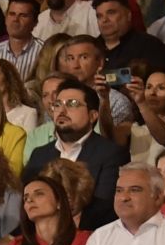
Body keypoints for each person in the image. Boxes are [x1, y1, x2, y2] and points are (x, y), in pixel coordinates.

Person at [24, 80, 129, 230]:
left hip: (88, 236)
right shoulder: (39, 155)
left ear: (93, 115)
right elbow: (26, 201)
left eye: (72, 104)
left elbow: (105, 208)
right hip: (41, 236)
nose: (62, 111)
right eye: (57, 104)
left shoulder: (111, 153)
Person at [0, 0, 44, 80]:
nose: (15, 19)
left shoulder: (44, 51)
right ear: (5, 18)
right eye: (12, 14)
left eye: (23, 15)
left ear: (35, 22)